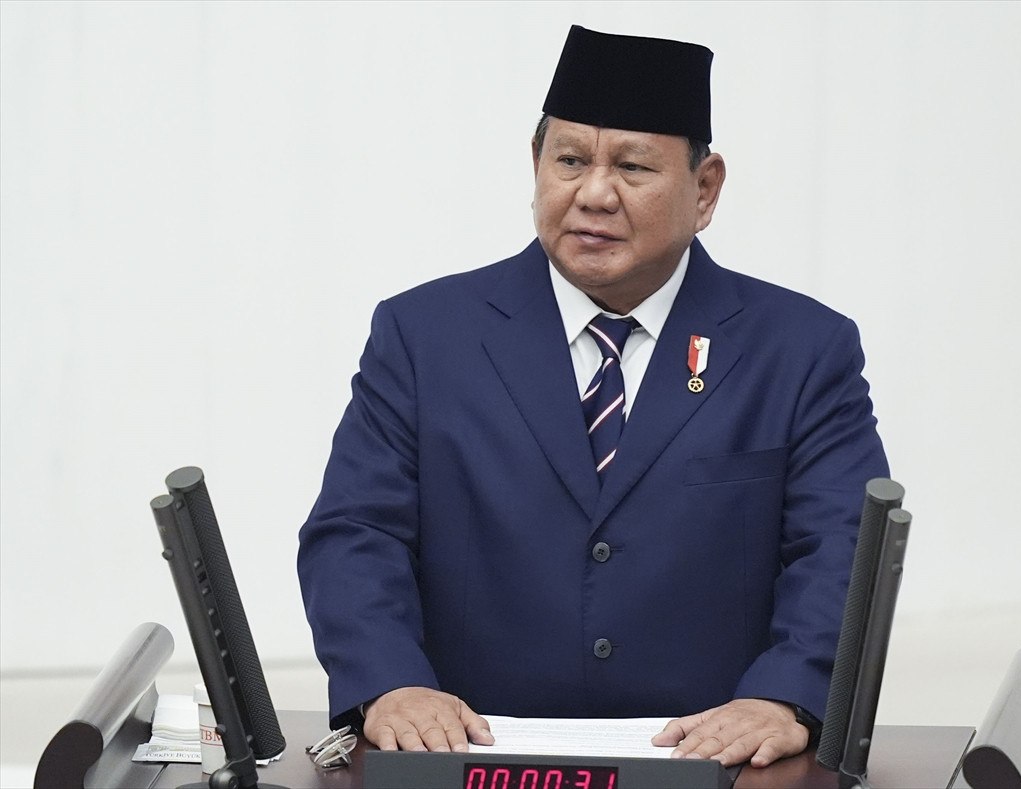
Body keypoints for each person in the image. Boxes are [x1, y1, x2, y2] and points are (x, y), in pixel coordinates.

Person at [298, 25, 888, 770]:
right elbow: (355, 529)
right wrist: (391, 683)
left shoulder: (801, 350)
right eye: (570, 160)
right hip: (476, 758)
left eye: (633, 167)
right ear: (536, 166)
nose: (594, 194)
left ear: (705, 190)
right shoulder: (423, 335)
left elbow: (841, 545)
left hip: (708, 762)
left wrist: (784, 695)